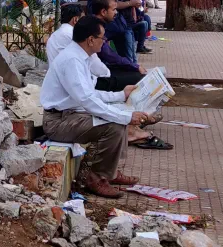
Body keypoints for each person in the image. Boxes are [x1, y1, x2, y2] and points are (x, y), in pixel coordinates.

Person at [38, 15, 146, 199]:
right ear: (90, 40)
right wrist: (126, 116)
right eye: (102, 38)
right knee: (114, 126)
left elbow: (90, 93)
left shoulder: (81, 57)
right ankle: (95, 179)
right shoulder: (72, 60)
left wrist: (121, 96)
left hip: (71, 115)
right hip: (58, 122)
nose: (104, 42)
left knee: (118, 118)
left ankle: (110, 172)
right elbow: (87, 99)